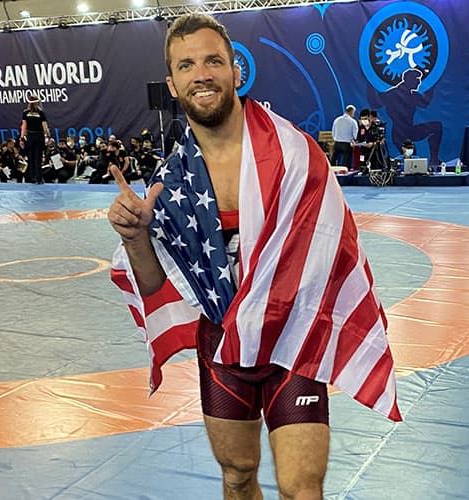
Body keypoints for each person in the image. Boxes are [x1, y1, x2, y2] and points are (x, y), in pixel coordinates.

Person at [107, 14, 400, 499]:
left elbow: (335, 252)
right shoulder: (173, 180)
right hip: (223, 345)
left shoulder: (296, 154)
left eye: (213, 60)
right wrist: (138, 237)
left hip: (294, 334)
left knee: (301, 487)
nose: (201, 73)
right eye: (186, 65)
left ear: (235, 71)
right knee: (237, 474)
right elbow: (158, 286)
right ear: (173, 84)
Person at [20, 94, 50, 184]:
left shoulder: (25, 113)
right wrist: (48, 135)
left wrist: (21, 138)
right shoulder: (41, 113)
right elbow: (45, 127)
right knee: (38, 158)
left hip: (30, 136)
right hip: (39, 136)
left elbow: (23, 127)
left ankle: (32, 177)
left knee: (31, 157)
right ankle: (39, 178)